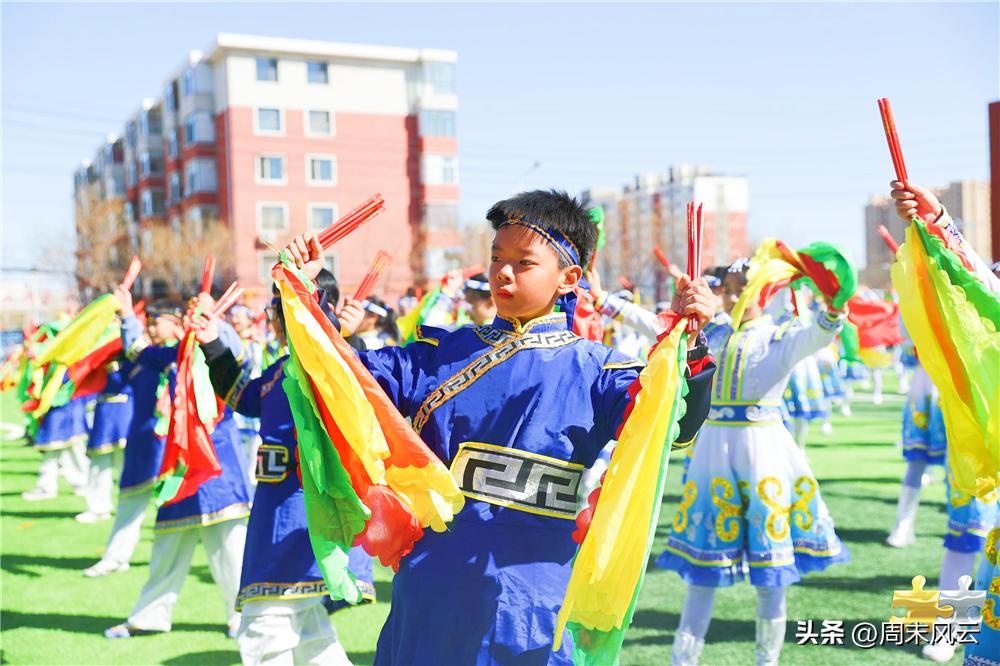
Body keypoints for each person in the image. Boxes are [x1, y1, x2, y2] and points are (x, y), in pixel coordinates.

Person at [283, 189, 717, 664]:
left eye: (523, 263)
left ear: (569, 277)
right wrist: (305, 297)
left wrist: (690, 346)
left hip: (534, 595)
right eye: (496, 257)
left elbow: (672, 426)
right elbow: (338, 380)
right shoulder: (437, 355)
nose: (502, 272)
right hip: (433, 585)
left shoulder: (599, 372)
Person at [657, 259, 851, 666]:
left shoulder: (781, 334)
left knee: (771, 572)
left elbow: (822, 331)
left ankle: (767, 660)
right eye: (725, 288)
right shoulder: (708, 332)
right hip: (713, 455)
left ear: (763, 292)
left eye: (738, 287)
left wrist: (834, 305)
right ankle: (682, 658)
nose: (729, 295)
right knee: (701, 568)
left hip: (765, 456)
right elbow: (657, 338)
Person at [189, 289, 353, 665]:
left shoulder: (326, 364)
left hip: (304, 508)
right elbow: (244, 397)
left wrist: (337, 330)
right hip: (274, 504)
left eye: (276, 310)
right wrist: (213, 341)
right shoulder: (283, 365)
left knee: (265, 618)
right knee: (305, 621)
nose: (272, 318)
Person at [888, 180, 999, 663]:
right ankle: (949, 627)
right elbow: (979, 286)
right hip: (981, 427)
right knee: (967, 527)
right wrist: (939, 222)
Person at [104, 288, 251, 639]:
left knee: (230, 548)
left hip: (218, 462)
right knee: (168, 544)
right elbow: (140, 352)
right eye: (188, 313)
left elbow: (239, 357)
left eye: (194, 313)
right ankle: (148, 616)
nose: (190, 319)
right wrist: (127, 315)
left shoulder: (221, 348)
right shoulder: (178, 352)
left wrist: (213, 322)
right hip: (183, 465)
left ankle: (244, 617)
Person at [84, 302, 179, 577]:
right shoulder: (144, 359)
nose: (150, 328)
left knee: (179, 512)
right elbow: (117, 374)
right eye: (147, 323)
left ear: (175, 322)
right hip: (143, 441)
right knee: (130, 501)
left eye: (156, 322)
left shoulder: (186, 355)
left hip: (174, 445)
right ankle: (115, 557)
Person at [77, 355, 134, 523]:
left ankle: (130, 508)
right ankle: (97, 507)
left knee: (126, 463)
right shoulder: (100, 350)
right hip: (103, 409)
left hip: (125, 408)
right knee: (99, 462)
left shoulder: (134, 350)